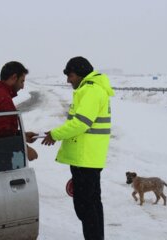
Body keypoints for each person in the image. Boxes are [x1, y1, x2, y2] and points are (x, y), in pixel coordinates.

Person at [42, 56, 114, 240]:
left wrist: (55, 134)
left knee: (86, 208)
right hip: (88, 158)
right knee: (92, 206)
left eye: (71, 75)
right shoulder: (91, 89)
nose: (68, 80)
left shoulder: (91, 91)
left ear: (81, 73)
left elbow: (81, 123)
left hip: (85, 159)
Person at [0, 61, 38, 161]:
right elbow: (2, 137)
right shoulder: (2, 99)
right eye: (22, 81)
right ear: (14, 78)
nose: (22, 86)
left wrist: (22, 135)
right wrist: (25, 148)